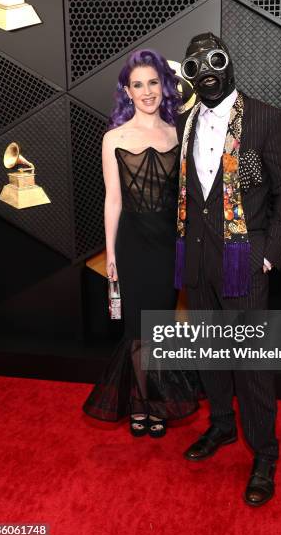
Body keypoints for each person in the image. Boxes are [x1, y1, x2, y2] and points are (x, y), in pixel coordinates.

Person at [174, 33, 281, 505]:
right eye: (196, 64)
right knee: (209, 354)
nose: (206, 71)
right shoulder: (185, 122)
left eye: (213, 59)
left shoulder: (267, 118)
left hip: (242, 260)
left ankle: (265, 453)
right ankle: (222, 428)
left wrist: (269, 252)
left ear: (227, 63)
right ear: (190, 72)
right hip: (198, 259)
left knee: (251, 367)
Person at [83, 49, 200, 437]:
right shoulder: (113, 138)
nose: (147, 91)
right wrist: (111, 253)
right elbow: (112, 198)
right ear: (127, 92)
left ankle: (155, 403)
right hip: (132, 245)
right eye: (138, 84)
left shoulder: (177, 133)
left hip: (168, 245)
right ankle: (140, 404)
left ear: (163, 87)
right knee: (136, 331)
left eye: (153, 82)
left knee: (160, 327)